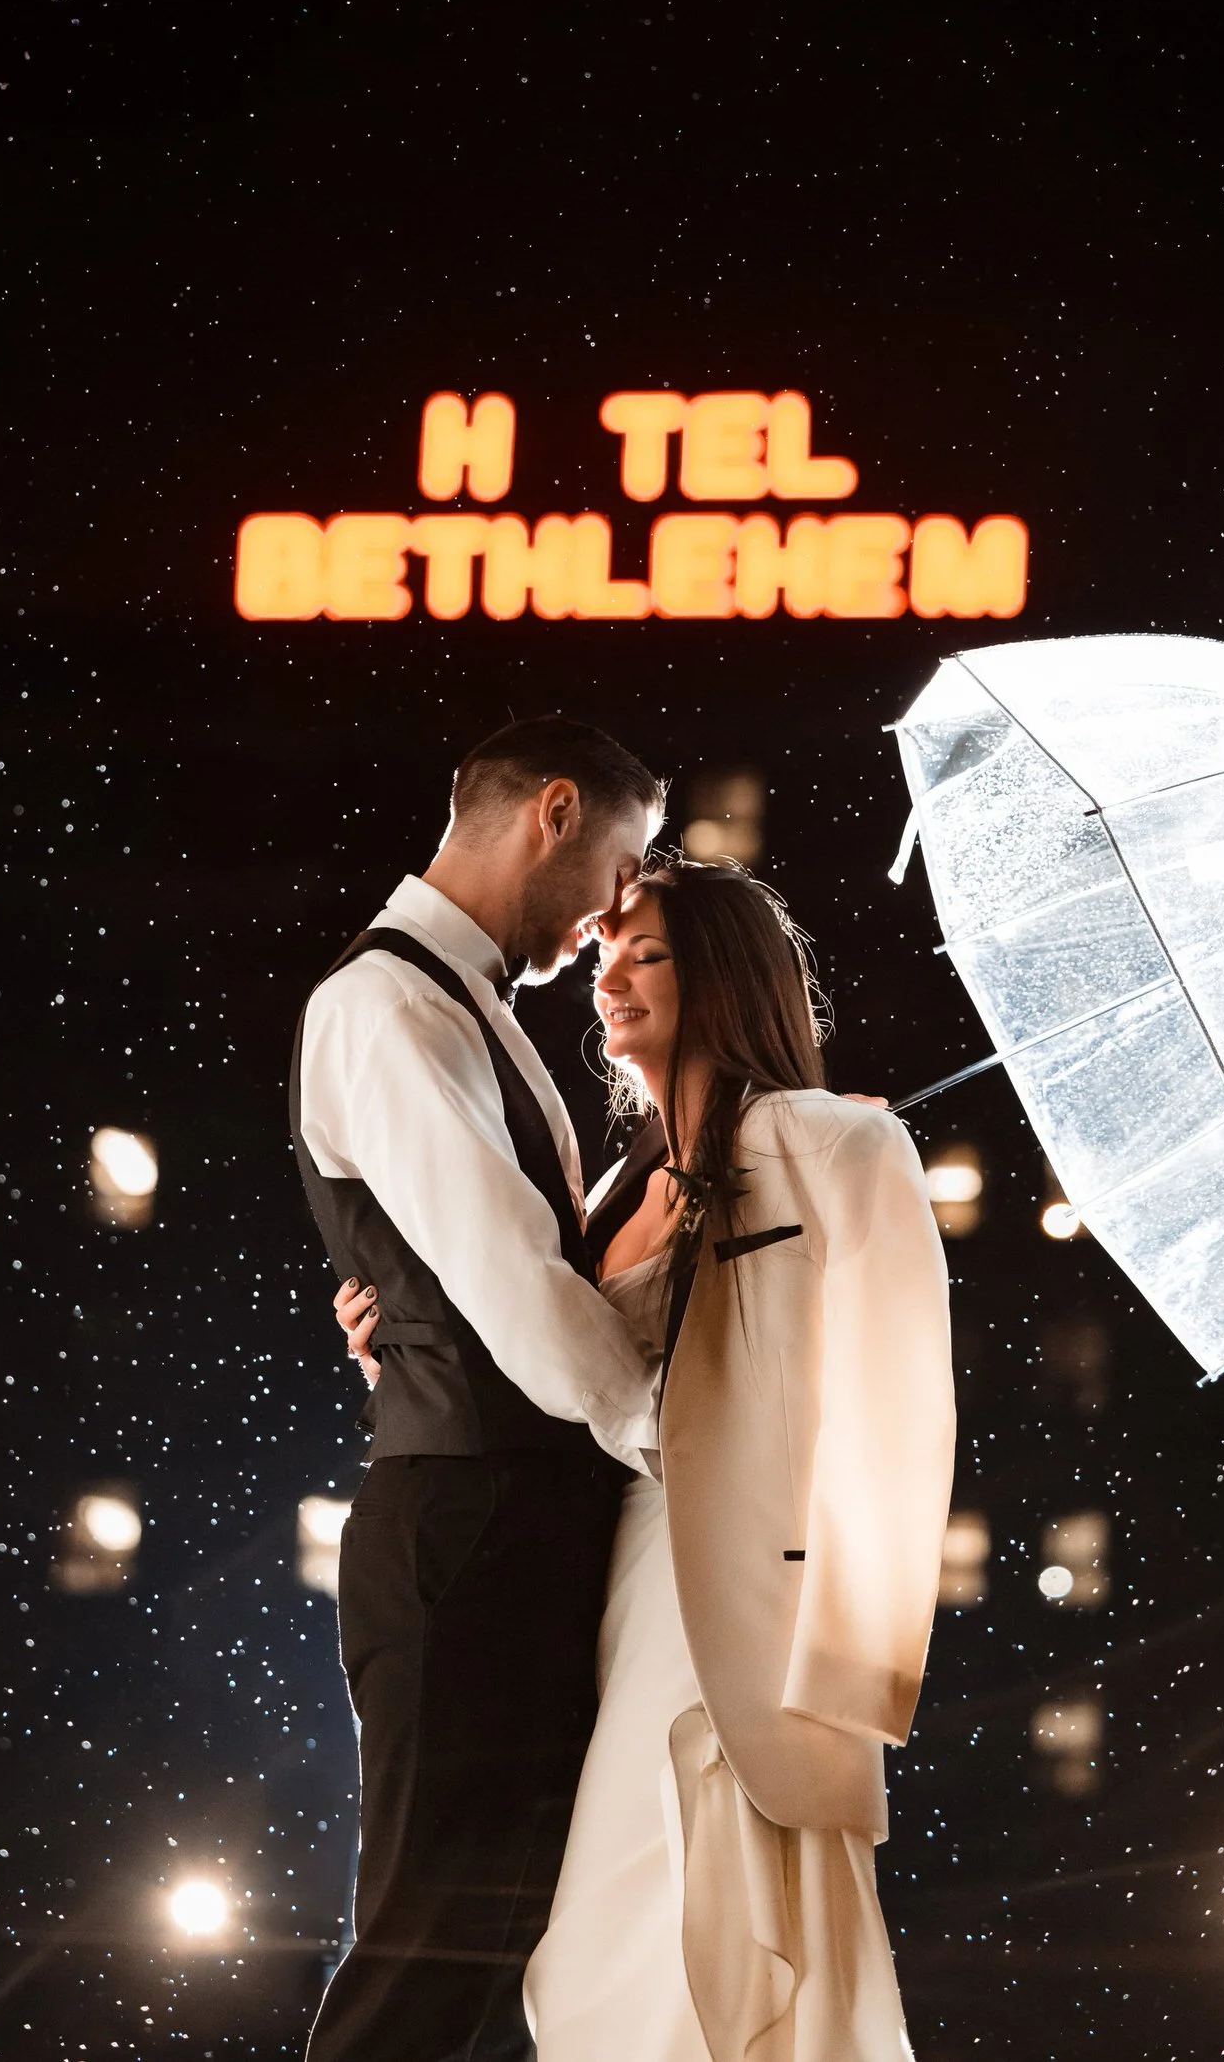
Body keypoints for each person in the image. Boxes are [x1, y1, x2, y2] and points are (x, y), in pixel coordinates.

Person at [524, 858, 955, 2062]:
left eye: (647, 954)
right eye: (604, 958)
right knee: (596, 1944)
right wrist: (392, 1344)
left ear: (727, 973)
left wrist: (845, 1675)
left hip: (748, 1603)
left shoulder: (830, 1141)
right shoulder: (612, 1188)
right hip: (612, 1579)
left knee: (681, 1917)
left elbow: (897, 1415)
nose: (610, 979)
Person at [291, 715, 665, 2062]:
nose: (617, 911)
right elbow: (507, 1273)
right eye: (625, 864)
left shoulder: (456, 1004)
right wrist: (668, 1436)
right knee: (428, 1960)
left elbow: (469, 1263)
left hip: (506, 1520)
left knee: (493, 1955)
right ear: (553, 812)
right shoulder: (385, 1002)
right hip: (471, 1524)